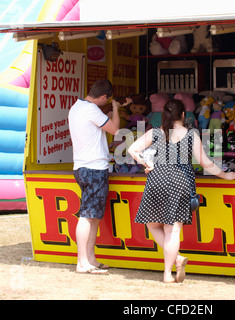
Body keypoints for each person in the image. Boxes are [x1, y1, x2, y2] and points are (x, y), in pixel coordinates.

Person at [128, 99, 235, 283]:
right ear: (183, 115)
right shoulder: (191, 135)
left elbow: (133, 149)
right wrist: (225, 175)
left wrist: (146, 163)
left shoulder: (155, 132)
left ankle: (175, 263)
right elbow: (205, 163)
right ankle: (168, 272)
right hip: (180, 181)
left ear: (165, 114)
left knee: (152, 224)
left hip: (157, 178)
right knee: (173, 231)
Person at [69, 79, 130, 274]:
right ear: (103, 97)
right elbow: (116, 130)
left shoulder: (78, 107)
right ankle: (82, 262)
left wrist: (111, 110)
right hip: (94, 168)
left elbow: (99, 123)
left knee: (92, 216)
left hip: (82, 166)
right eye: (108, 100)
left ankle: (90, 259)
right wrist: (115, 109)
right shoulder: (92, 111)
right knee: (87, 216)